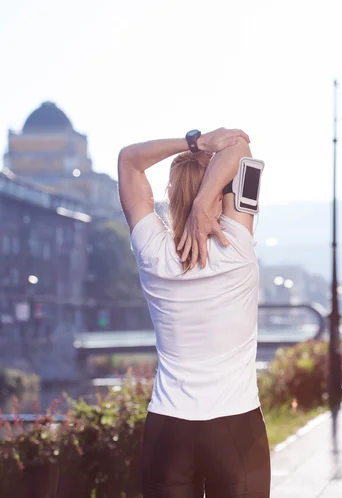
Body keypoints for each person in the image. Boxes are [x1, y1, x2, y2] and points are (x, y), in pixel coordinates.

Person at [118, 127, 270, 497]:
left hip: (169, 432)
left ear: (168, 197)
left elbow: (128, 161)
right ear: (221, 195)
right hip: (237, 432)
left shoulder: (153, 253)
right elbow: (240, 144)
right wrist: (206, 200)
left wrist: (195, 143)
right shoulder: (237, 244)